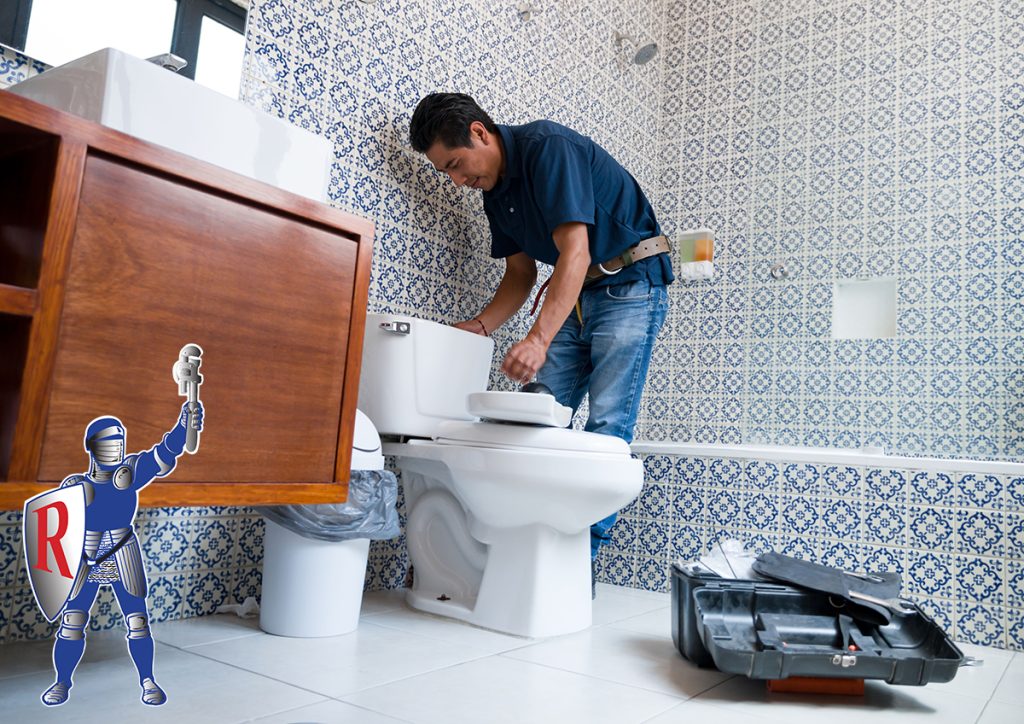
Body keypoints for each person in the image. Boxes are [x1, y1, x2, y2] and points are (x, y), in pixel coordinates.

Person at [408, 93, 672, 589]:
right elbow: (520, 272)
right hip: (576, 294)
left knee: (608, 423)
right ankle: (529, 544)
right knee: (535, 418)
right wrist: (481, 325)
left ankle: (580, 563)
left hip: (631, 282)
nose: (458, 182)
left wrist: (537, 338)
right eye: (448, 174)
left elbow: (575, 250)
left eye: (456, 165)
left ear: (480, 133)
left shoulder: (546, 146)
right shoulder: (494, 193)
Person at [40, 402, 203, 706]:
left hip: (122, 550)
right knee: (72, 622)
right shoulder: (75, 486)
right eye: (108, 443)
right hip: (84, 554)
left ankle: (148, 680)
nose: (115, 449)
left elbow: (165, 453)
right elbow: (54, 531)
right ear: (92, 447)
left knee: (138, 621)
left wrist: (185, 425)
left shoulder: (129, 473)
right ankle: (62, 682)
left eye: (119, 442)